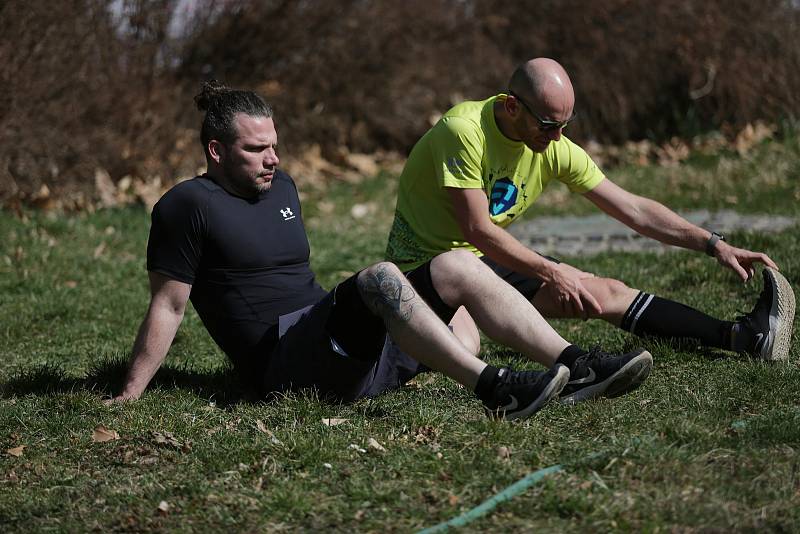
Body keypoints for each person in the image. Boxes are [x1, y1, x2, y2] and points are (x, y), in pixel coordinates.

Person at [112, 81, 655, 420]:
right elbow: (169, 305)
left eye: (275, 144)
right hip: (284, 367)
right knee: (379, 276)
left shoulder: (283, 187)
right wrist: (131, 394)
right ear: (215, 150)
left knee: (456, 262)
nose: (273, 159)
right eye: (256, 149)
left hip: (339, 353)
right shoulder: (186, 206)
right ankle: (496, 389)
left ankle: (576, 364)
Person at [386, 58, 795, 361]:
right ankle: (383, 331)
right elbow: (477, 229)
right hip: (427, 265)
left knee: (604, 293)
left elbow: (633, 209)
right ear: (512, 106)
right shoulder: (464, 131)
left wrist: (713, 244)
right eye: (548, 125)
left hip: (482, 261)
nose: (559, 137)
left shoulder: (552, 146)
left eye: (566, 124)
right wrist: (551, 270)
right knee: (463, 346)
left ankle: (742, 338)